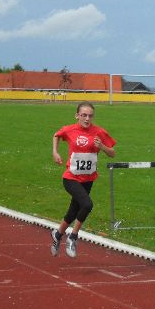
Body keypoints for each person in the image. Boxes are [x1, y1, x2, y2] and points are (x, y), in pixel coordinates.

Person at [51, 102, 116, 258]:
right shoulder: (69, 130)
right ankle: (73, 237)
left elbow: (112, 153)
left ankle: (57, 234)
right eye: (84, 115)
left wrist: (102, 147)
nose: (87, 118)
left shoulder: (99, 132)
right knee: (87, 204)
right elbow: (56, 135)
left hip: (88, 178)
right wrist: (55, 152)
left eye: (90, 116)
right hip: (71, 177)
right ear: (77, 116)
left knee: (73, 211)